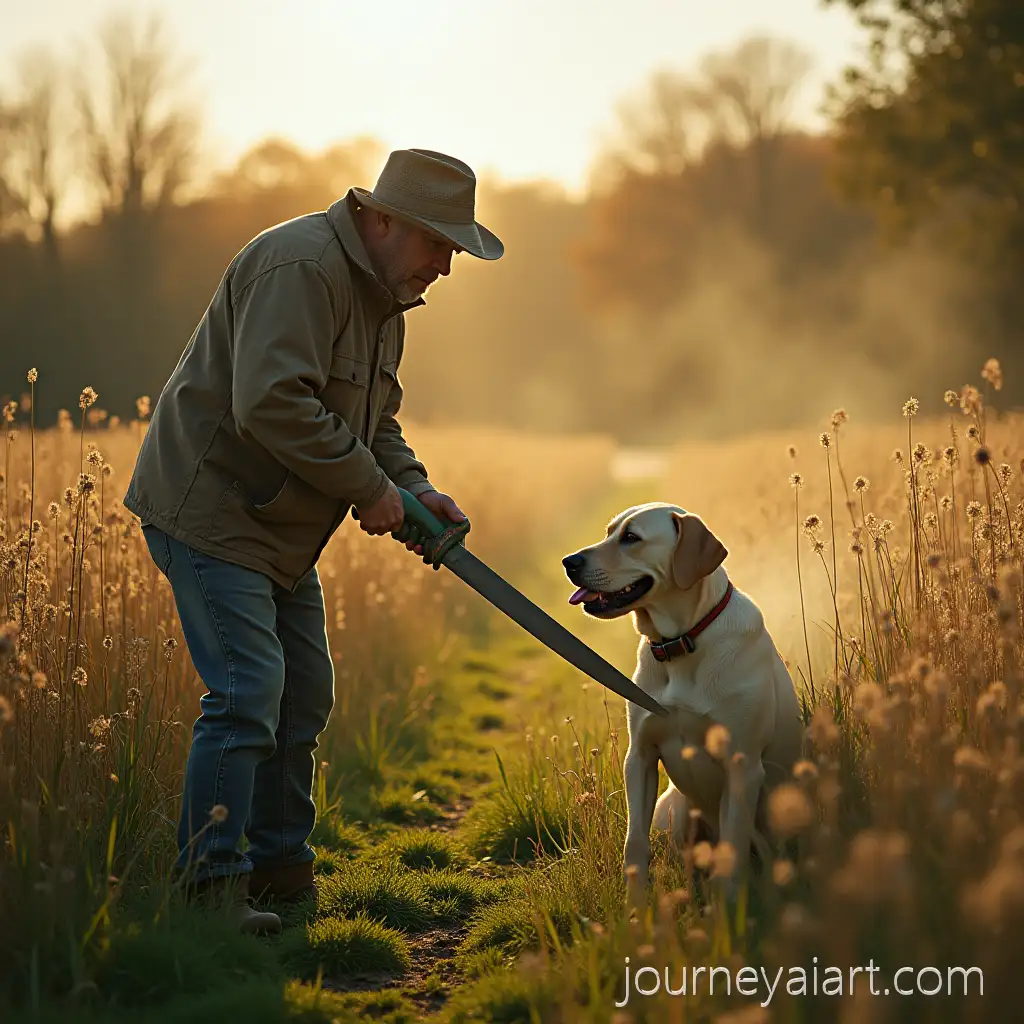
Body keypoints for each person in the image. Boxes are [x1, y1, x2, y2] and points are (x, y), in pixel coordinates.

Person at [122, 148, 504, 934]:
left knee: (304, 693)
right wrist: (369, 489)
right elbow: (272, 403)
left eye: (454, 250)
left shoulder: (382, 296)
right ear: (384, 219)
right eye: (440, 243)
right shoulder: (300, 266)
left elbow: (375, 421)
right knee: (246, 695)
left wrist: (415, 487)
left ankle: (282, 877)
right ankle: (209, 896)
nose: (445, 265)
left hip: (281, 527)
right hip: (214, 512)